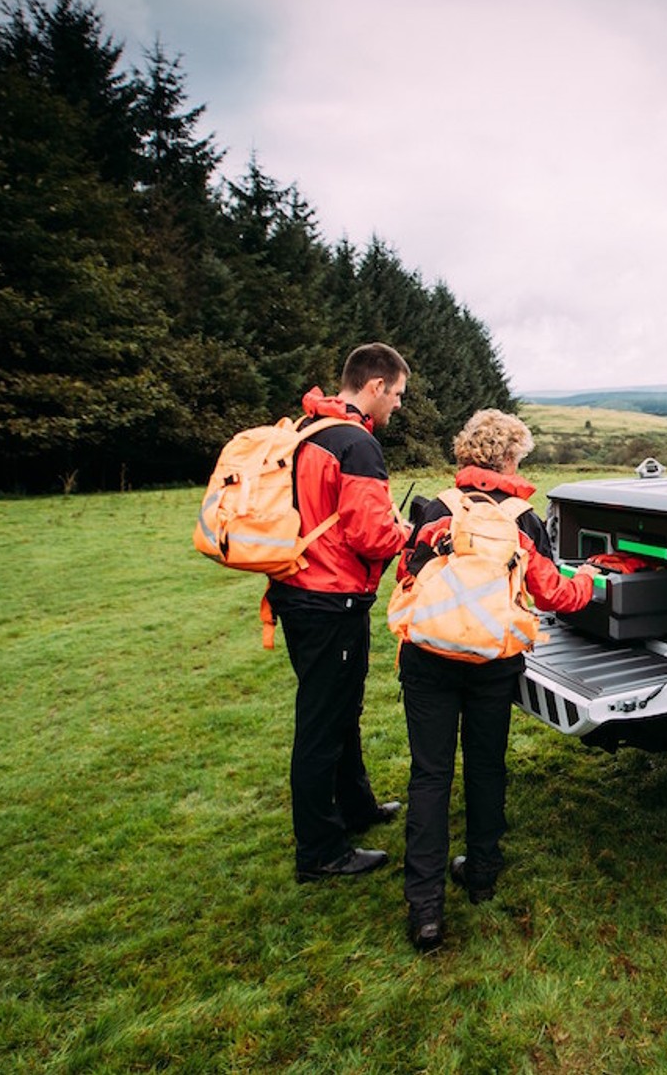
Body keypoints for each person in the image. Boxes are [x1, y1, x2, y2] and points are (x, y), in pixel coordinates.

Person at [393, 409, 600, 951]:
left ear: (467, 455)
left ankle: (426, 910)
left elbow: (405, 573)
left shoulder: (438, 508)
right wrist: (590, 579)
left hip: (428, 657)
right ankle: (482, 874)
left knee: (429, 776)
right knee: (486, 765)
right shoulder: (523, 520)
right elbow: (556, 594)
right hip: (492, 661)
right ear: (508, 459)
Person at [266, 343, 413, 883]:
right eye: (396, 395)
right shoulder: (357, 445)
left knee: (338, 710)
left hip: (298, 590)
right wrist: (409, 532)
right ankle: (320, 851)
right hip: (331, 599)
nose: (397, 405)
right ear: (375, 386)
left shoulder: (309, 429)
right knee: (323, 723)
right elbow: (372, 536)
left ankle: (356, 807)